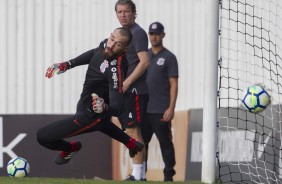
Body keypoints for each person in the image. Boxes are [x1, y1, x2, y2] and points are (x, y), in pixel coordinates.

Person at [37, 27, 144, 165]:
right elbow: (95, 53)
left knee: (43, 136)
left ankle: (71, 148)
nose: (111, 45)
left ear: (125, 48)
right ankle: (130, 143)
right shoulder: (106, 45)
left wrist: (104, 107)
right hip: (86, 105)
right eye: (112, 39)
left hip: (90, 114)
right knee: (101, 124)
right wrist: (68, 64)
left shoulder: (115, 70)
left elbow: (117, 107)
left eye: (118, 44)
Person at [115, 0, 149, 181]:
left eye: (126, 11)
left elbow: (144, 61)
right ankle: (140, 174)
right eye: (119, 12)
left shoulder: (138, 33)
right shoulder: (122, 34)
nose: (123, 15)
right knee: (131, 131)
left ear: (134, 13)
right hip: (125, 91)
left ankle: (137, 175)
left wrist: (127, 82)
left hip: (135, 89)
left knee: (133, 131)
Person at [142, 22, 179, 182]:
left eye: (157, 33)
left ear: (163, 35)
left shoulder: (169, 57)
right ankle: (140, 174)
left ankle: (168, 175)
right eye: (151, 33)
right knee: (142, 144)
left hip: (161, 109)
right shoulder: (144, 56)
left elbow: (174, 84)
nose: (154, 37)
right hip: (144, 109)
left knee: (165, 143)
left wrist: (171, 108)